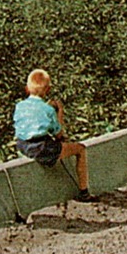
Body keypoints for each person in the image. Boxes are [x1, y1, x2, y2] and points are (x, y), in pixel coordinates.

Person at [13, 68, 95, 202]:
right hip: (41, 148)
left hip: (22, 145)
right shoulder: (48, 109)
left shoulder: (19, 106)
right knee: (80, 149)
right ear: (48, 90)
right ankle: (84, 192)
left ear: (27, 89)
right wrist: (59, 112)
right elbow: (58, 134)